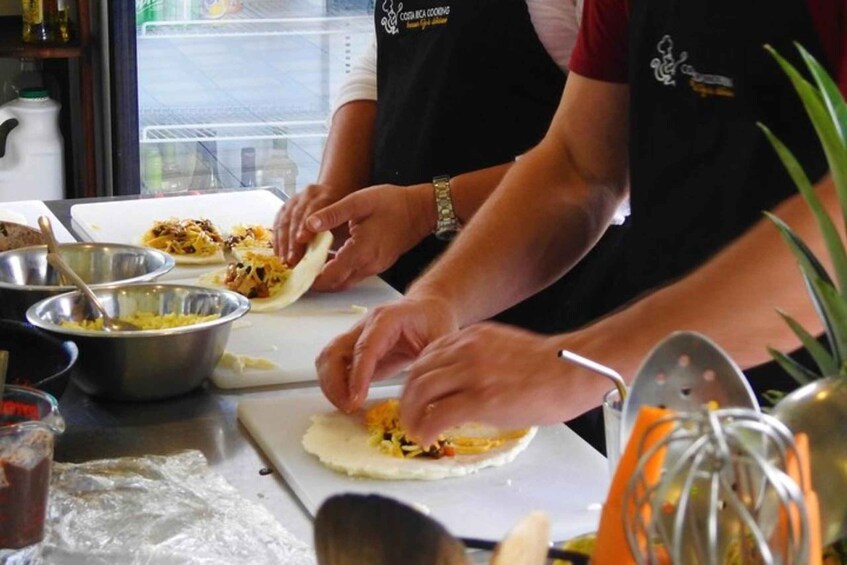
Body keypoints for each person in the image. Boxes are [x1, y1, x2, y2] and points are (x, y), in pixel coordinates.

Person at [312, 0, 847, 447]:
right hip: (664, 398)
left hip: (818, 423)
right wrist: (441, 299)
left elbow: (837, 226)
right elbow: (579, 168)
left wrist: (579, 364)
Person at [273, 0, 630, 336]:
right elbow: (385, 54)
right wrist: (337, 187)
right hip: (400, 298)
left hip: (539, 312)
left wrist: (426, 209)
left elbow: (601, 164)